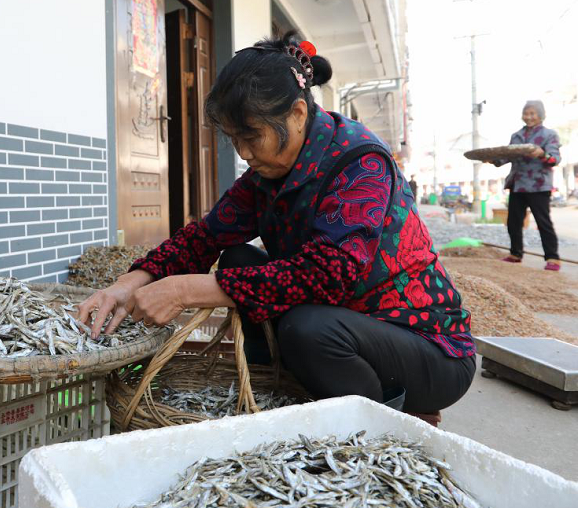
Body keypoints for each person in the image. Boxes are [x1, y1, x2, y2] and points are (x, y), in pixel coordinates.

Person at [78, 36, 475, 423]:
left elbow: (328, 274)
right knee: (237, 257)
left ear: (298, 114)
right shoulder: (268, 173)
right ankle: (284, 388)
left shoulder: (359, 161)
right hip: (347, 329)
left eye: (252, 136)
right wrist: (127, 284)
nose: (244, 153)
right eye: (235, 139)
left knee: (309, 330)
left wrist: (183, 290)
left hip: (426, 348)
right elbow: (205, 238)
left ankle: (386, 416)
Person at [487, 100, 561, 271]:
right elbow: (508, 156)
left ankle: (553, 258)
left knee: (543, 222)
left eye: (532, 113)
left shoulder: (549, 135)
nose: (528, 117)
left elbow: (554, 159)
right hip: (517, 184)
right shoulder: (516, 136)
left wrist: (542, 154)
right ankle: (515, 253)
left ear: (541, 115)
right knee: (513, 221)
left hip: (538, 185)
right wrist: (494, 159)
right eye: (526, 113)